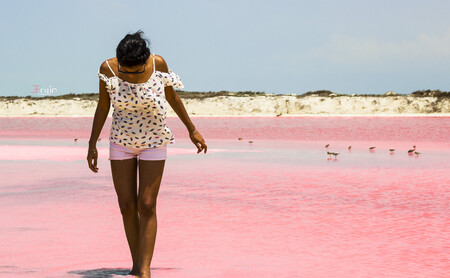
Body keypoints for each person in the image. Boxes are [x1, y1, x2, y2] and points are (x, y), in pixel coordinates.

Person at [87, 30, 207, 278]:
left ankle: (145, 270)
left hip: (153, 139)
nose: (130, 76)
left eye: (136, 71)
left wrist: (192, 129)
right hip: (121, 142)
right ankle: (135, 264)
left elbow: (172, 96)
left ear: (146, 59)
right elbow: (102, 105)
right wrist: (91, 144)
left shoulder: (158, 63)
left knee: (147, 204)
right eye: (126, 71)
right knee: (127, 206)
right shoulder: (107, 69)